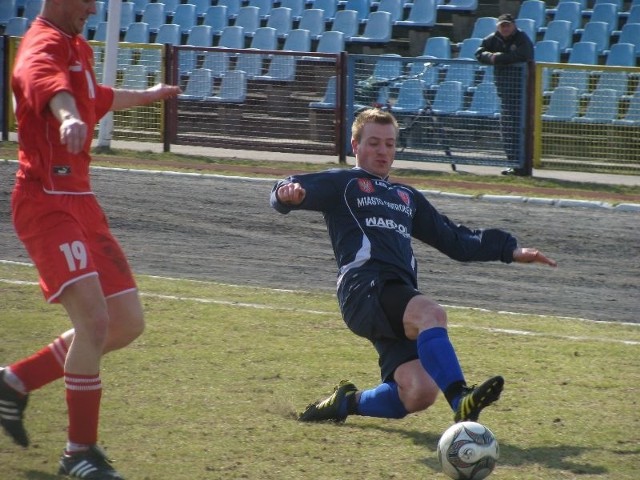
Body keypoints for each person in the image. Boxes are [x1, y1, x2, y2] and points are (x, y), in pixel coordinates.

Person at [270, 108, 556, 427]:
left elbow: (455, 240)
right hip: (364, 288)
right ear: (356, 145)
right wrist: (286, 194)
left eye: (390, 144)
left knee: (418, 392)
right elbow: (290, 188)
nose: (383, 151)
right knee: (431, 314)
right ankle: (461, 398)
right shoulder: (345, 183)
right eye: (374, 143)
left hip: (396, 295)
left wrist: (511, 251)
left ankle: (343, 403)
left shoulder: (406, 196)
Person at [0, 1, 180, 478]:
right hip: (47, 201)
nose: (94, 7)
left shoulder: (76, 44)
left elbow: (90, 95)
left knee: (124, 322)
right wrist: (65, 118)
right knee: (95, 320)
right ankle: (78, 452)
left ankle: (15, 381)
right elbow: (49, 86)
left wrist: (146, 96)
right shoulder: (41, 44)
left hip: (81, 201)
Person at [475, 13, 534, 177]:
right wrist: (491, 57)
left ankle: (523, 166)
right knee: (507, 129)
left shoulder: (522, 38)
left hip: (522, 90)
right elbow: (479, 53)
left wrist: (500, 58)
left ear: (514, 25)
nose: (505, 28)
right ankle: (513, 163)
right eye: (502, 26)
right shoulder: (492, 38)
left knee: (520, 128)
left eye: (508, 25)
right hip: (504, 90)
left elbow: (523, 55)